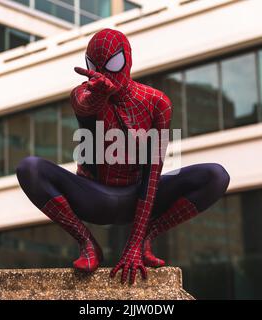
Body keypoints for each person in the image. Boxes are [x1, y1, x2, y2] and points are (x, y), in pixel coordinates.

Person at [16, 28, 230, 284]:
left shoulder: (157, 102)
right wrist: (99, 93)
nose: (104, 73)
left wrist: (137, 241)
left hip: (138, 194)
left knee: (215, 176)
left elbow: (153, 174)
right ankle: (87, 242)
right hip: (94, 195)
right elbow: (85, 105)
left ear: (126, 60)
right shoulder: (83, 93)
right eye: (94, 66)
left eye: (112, 64)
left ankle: (149, 236)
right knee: (29, 168)